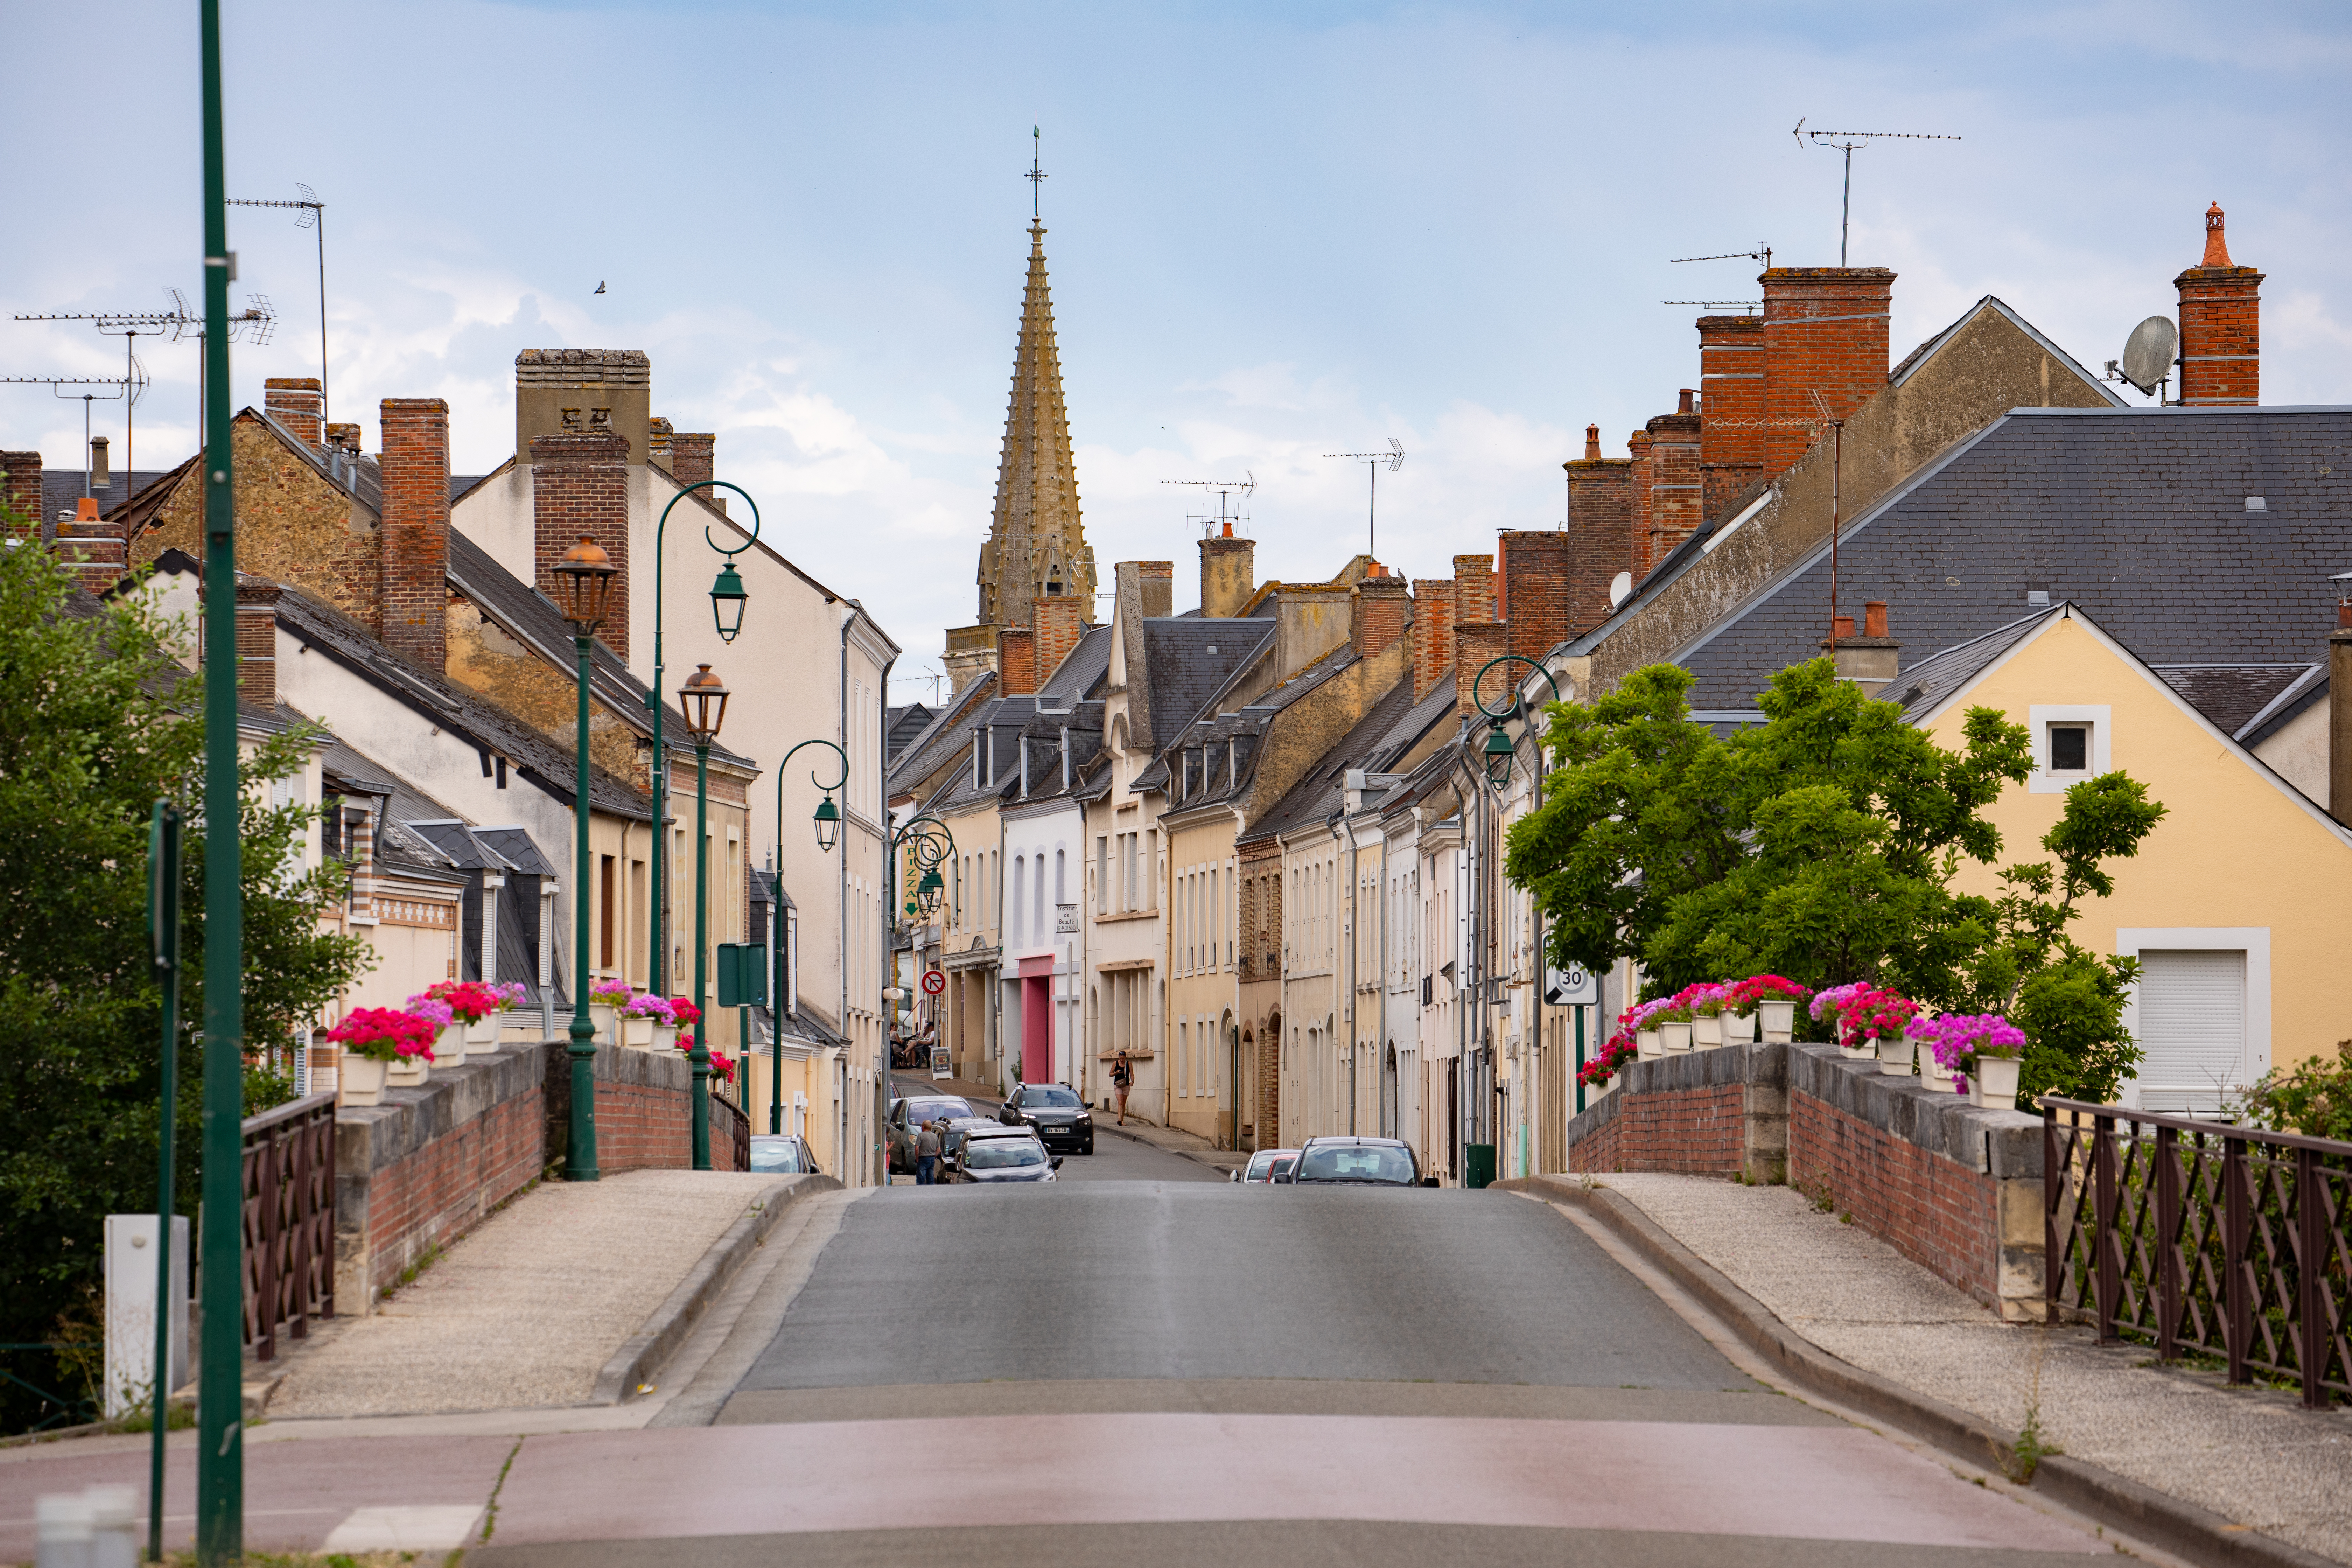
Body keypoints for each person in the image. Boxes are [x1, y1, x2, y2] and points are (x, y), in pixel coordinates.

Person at [915, 1119, 941, 1185]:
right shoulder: (935, 1136)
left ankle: (921, 1192)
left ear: (923, 1127)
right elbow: (939, 1150)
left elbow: (916, 1148)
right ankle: (931, 1193)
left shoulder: (921, 1135)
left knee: (921, 1179)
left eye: (921, 1126)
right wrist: (933, 1156)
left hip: (923, 1159)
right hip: (932, 1160)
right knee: (931, 1179)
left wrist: (918, 1159)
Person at [1111, 1050, 1133, 1126]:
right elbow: (1110, 1074)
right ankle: (1120, 1119)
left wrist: (1132, 1082)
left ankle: (1122, 1121)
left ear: (1125, 1057)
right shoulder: (1115, 1063)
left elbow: (1132, 1074)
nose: (1122, 1060)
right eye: (1120, 1058)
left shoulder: (1129, 1064)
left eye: (1123, 1059)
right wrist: (1116, 1073)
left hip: (1126, 1085)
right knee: (1120, 1102)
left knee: (1123, 1103)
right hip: (1118, 1085)